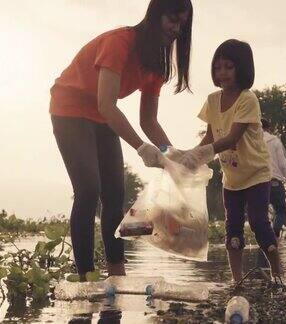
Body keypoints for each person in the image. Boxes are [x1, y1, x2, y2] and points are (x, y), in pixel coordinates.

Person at [49, 0, 193, 280]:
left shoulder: (158, 64)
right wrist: (141, 148)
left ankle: (117, 274)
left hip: (103, 117)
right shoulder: (120, 42)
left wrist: (172, 155)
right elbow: (106, 104)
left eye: (181, 24)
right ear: (155, 16)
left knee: (114, 194)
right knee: (89, 190)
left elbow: (148, 120)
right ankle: (86, 277)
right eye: (171, 20)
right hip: (70, 108)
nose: (176, 29)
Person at [172, 39, 283, 282]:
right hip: (231, 178)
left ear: (242, 68)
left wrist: (200, 154)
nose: (222, 73)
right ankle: (237, 280)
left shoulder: (247, 99)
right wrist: (188, 156)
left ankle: (277, 273)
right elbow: (210, 137)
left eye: (229, 67)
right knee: (232, 228)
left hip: (256, 174)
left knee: (258, 222)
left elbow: (232, 138)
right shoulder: (213, 100)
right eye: (218, 67)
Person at [261, 118, 286, 237]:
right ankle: (275, 234)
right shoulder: (275, 141)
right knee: (281, 210)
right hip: (274, 182)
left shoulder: (252, 141)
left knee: (260, 212)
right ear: (268, 128)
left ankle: (263, 238)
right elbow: (283, 164)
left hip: (258, 183)